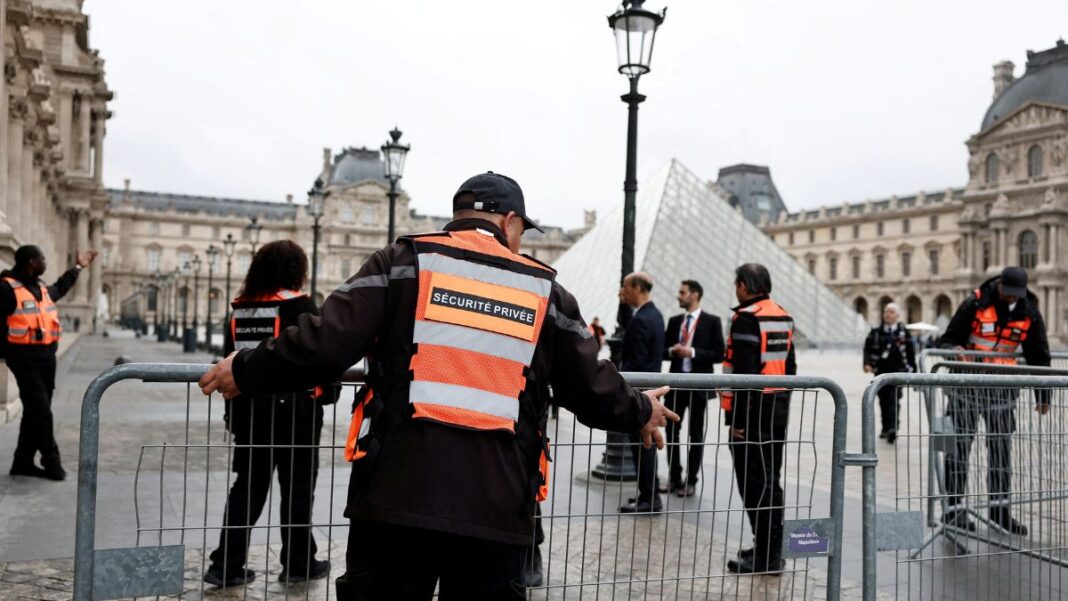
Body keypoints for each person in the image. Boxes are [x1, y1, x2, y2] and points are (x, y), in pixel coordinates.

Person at [198, 171, 678, 600]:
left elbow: (323, 342)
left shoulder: (402, 262)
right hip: (498, 501)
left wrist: (243, 370)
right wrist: (640, 411)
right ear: (510, 222)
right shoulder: (544, 289)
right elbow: (588, 384)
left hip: (396, 494)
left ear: (458, 217)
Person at [204, 240, 330, 587]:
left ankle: (226, 563)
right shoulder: (300, 305)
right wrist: (327, 394)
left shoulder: (240, 308)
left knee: (247, 488)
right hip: (294, 413)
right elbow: (317, 354)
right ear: (296, 270)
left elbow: (230, 359)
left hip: (249, 410)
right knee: (298, 489)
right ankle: (298, 560)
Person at [938, 266, 1050, 535]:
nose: (1012, 299)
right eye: (1008, 293)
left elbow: (1039, 353)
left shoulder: (1029, 310)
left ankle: (1000, 512)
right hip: (966, 387)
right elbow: (947, 339)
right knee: (958, 450)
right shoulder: (975, 303)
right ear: (999, 285)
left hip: (1001, 390)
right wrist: (954, 350)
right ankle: (953, 511)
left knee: (1001, 451)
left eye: (1016, 294)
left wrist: (1044, 395)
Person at [721, 263, 795, 575]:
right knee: (770, 481)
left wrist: (737, 421)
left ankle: (767, 557)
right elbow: (790, 368)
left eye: (737, 283)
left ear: (744, 285)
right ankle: (769, 548)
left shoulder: (747, 318)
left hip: (751, 415)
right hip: (776, 408)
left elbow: (745, 375)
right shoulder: (781, 314)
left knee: (753, 483)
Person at [3, 245, 97, 481]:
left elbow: (60, 288)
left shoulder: (41, 286)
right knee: (42, 411)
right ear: (31, 262)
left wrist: (78, 267)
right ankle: (51, 461)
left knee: (35, 412)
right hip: (23, 358)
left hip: (46, 359)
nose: (45, 262)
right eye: (42, 258)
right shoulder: (5, 287)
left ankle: (22, 462)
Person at [659, 279, 724, 498]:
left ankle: (691, 481)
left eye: (682, 292)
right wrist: (672, 351)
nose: (678, 296)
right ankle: (674, 477)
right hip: (676, 386)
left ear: (694, 295)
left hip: (698, 385)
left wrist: (692, 352)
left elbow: (719, 353)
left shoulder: (712, 322)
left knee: (696, 435)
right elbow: (662, 350)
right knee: (671, 432)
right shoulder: (675, 321)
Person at [617, 272, 666, 514]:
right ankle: (649, 495)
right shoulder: (654, 315)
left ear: (637, 288)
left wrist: (620, 383)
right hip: (651, 391)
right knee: (645, 446)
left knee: (642, 447)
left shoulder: (641, 321)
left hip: (640, 395)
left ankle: (649, 498)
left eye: (625, 287)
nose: (623, 291)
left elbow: (633, 362)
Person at [863, 302, 916, 443]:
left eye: (891, 312)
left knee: (894, 400)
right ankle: (885, 427)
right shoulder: (875, 332)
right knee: (882, 401)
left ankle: (893, 428)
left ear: (897, 316)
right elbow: (867, 349)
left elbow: (911, 353)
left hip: (898, 372)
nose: (888, 314)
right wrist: (867, 363)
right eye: (886, 311)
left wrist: (915, 373)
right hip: (880, 372)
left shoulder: (904, 332)